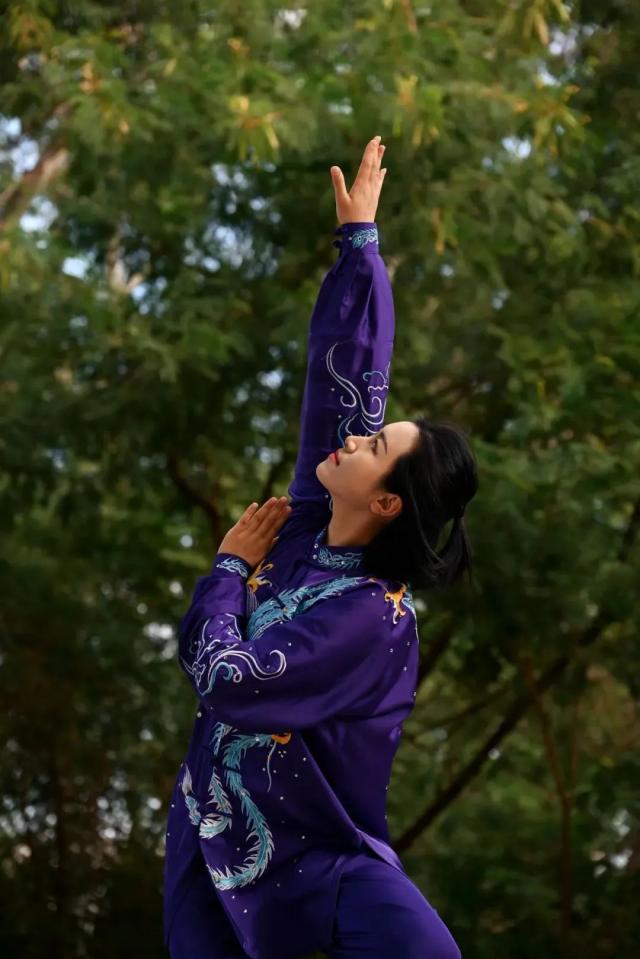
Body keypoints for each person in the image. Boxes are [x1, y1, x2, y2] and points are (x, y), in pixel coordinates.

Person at [163, 135, 476, 959]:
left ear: (385, 501)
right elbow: (345, 378)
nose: (355, 435)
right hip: (211, 836)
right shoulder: (306, 526)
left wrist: (228, 571)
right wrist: (360, 244)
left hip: (320, 857)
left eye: (375, 444)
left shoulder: (372, 618)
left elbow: (225, 680)